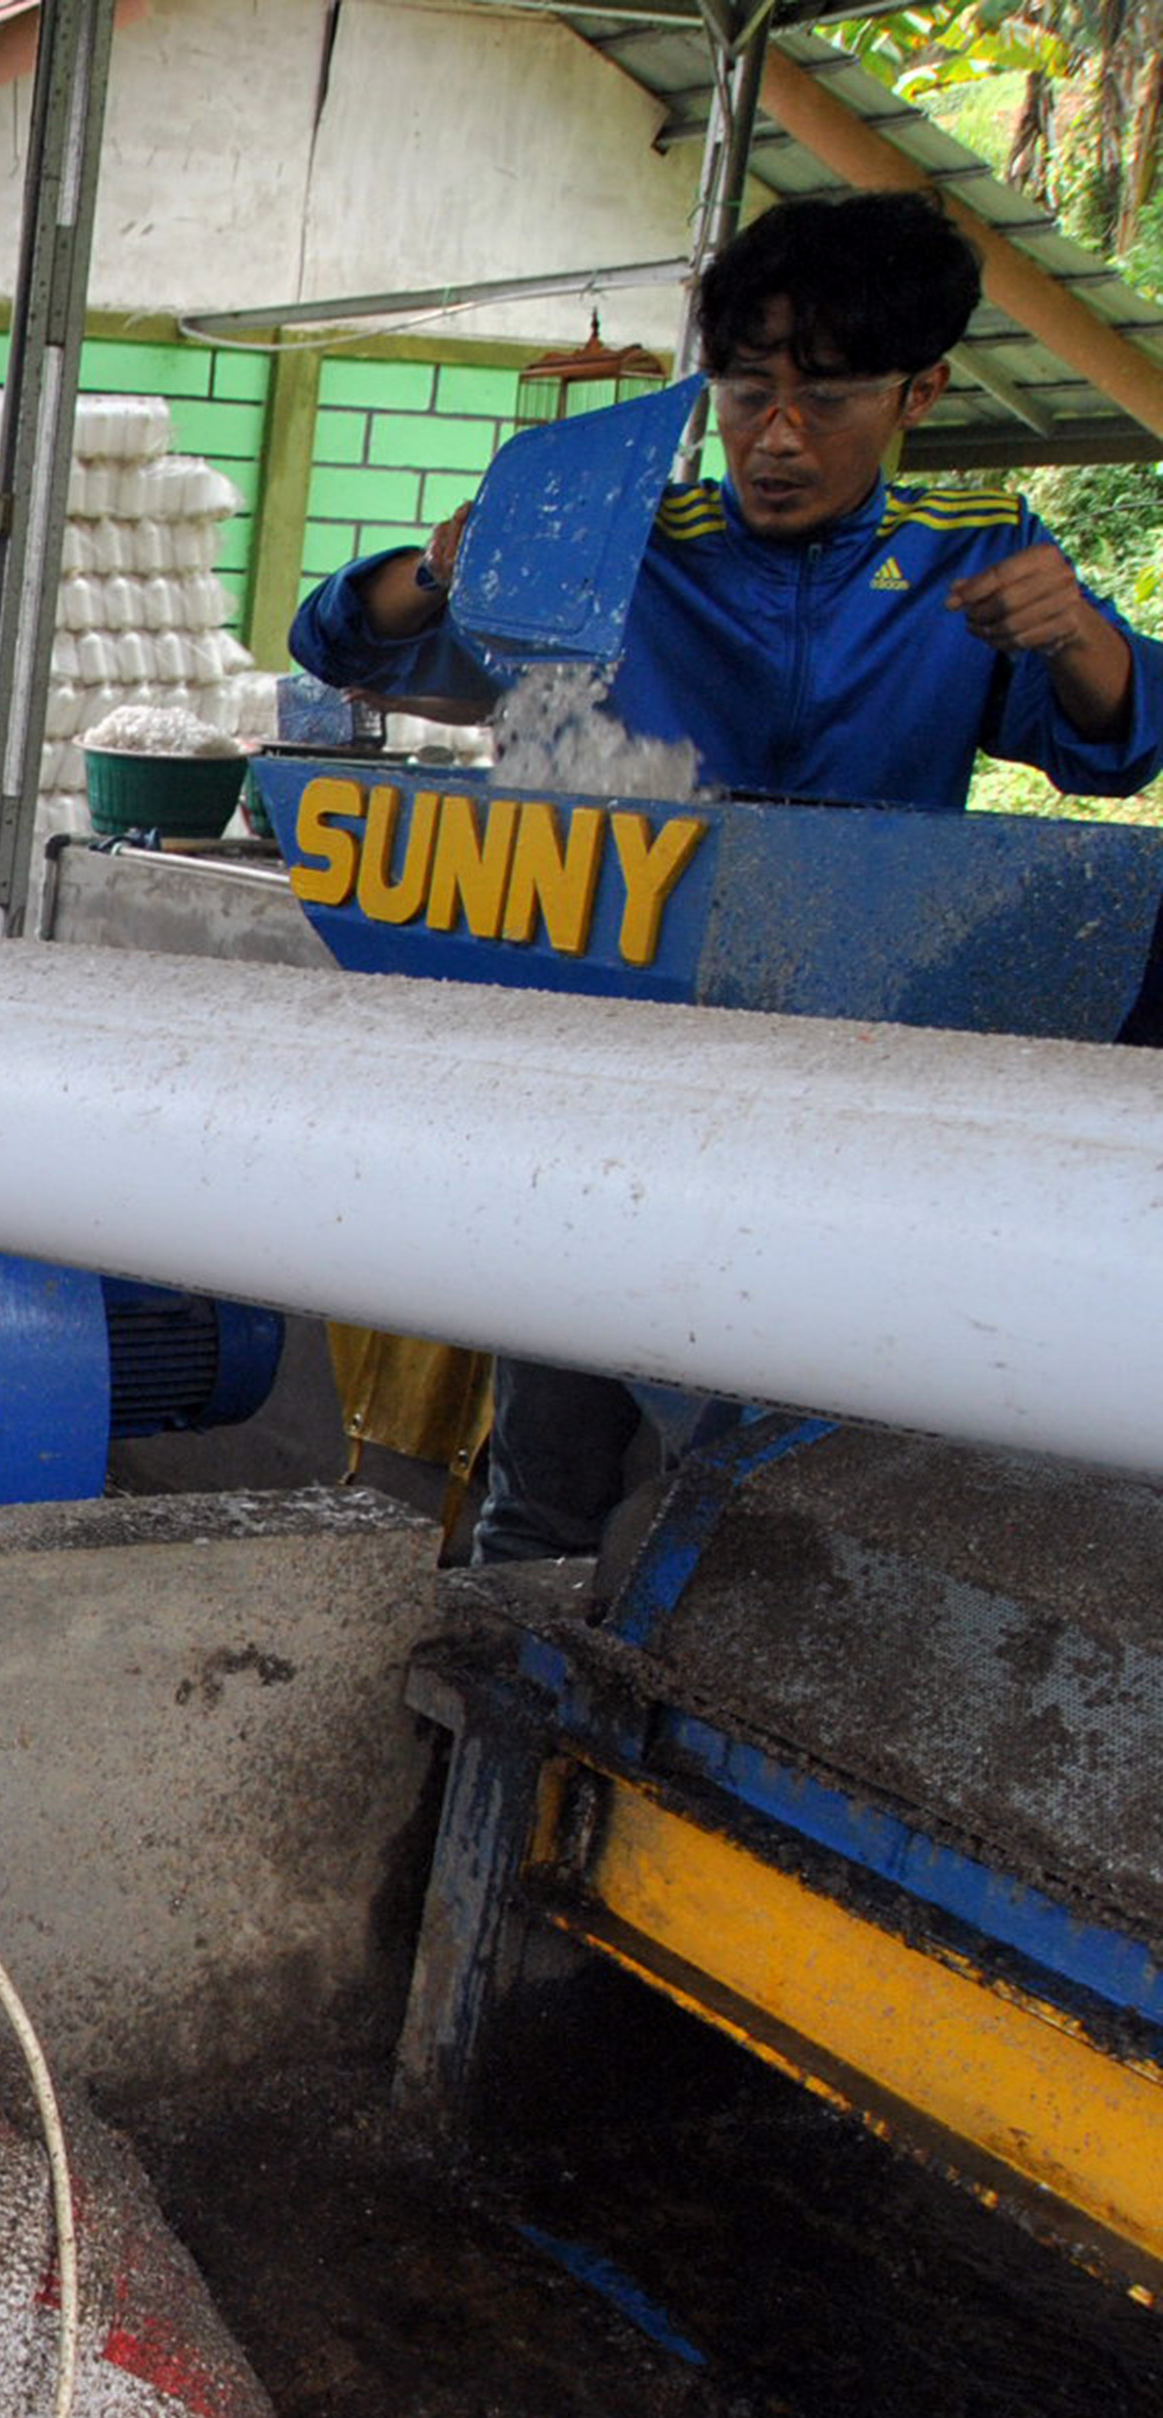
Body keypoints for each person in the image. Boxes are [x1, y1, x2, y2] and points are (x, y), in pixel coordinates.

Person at [291, 188, 1163, 1561]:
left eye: (826, 397)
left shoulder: (974, 555)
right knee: (552, 1476)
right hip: (615, 1081)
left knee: (797, 1491)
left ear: (920, 392)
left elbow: (1113, 752)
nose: (777, 436)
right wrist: (438, 568)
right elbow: (352, 646)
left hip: (855, 1097)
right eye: (747, 391)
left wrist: (1081, 645)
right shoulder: (632, 558)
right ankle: (510, 1734)